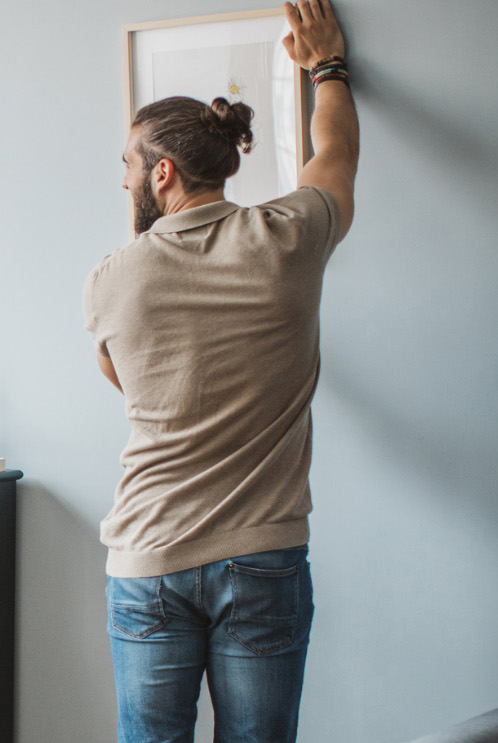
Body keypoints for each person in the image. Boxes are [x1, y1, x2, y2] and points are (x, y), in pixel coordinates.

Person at [81, 1, 358, 740]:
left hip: (149, 557)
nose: (124, 183)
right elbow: (335, 159)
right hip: (262, 554)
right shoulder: (288, 239)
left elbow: (126, 380)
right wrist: (329, 68)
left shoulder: (111, 278)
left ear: (161, 173)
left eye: (128, 168)